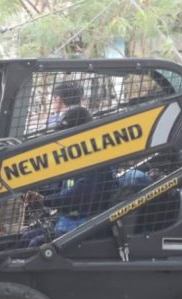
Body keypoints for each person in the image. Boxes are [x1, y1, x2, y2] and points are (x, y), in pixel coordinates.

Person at [20, 105, 118, 247]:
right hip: (67, 223)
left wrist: (45, 200)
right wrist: (39, 194)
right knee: (25, 237)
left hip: (85, 227)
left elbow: (77, 197)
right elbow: (60, 191)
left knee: (35, 245)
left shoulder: (96, 160)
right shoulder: (75, 158)